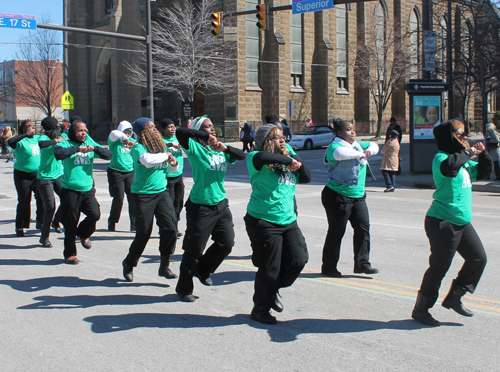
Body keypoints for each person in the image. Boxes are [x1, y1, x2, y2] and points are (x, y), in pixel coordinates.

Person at [411, 119, 491, 327]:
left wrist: (484, 154)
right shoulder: (442, 158)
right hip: (443, 222)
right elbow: (449, 167)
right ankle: (421, 309)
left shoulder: (463, 161)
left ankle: (455, 296)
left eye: (466, 133)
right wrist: (469, 152)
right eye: (460, 133)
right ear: (449, 136)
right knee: (439, 267)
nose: (465, 137)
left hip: (462, 223)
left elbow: (484, 172)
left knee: (478, 259)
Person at [244, 124, 311, 325]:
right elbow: (265, 157)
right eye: (276, 138)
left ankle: (271, 290)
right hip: (263, 220)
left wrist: (296, 161)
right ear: (265, 140)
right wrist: (290, 159)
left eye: (283, 137)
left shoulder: (287, 155)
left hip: (288, 219)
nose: (281, 140)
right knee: (269, 268)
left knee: (299, 260)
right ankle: (260, 309)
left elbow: (306, 177)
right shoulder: (255, 158)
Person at [175, 116, 245, 302]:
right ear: (199, 130)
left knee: (226, 242)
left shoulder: (220, 149)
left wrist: (225, 148)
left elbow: (242, 155)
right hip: (200, 206)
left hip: (221, 204)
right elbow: (180, 132)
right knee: (194, 250)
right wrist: (204, 137)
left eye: (213, 126)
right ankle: (183, 288)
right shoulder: (194, 147)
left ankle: (203, 269)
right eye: (208, 127)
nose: (213, 129)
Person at [122, 118, 179, 282]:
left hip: (161, 193)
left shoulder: (161, 147)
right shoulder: (139, 148)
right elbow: (147, 161)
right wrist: (166, 155)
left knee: (170, 229)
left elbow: (169, 168)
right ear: (142, 132)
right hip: (142, 195)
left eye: (155, 127)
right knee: (144, 233)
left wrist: (173, 163)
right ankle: (129, 263)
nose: (155, 130)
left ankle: (164, 265)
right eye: (150, 128)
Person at [321, 118, 379, 278]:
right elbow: (342, 155)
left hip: (358, 196)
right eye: (348, 130)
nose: (352, 132)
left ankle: (362, 263)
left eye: (353, 129)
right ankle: (329, 267)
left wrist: (367, 151)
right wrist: (362, 154)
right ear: (339, 133)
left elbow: (375, 146)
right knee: (337, 231)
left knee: (363, 228)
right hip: (337, 196)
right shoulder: (335, 147)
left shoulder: (357, 144)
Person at [54, 120, 112, 264]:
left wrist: (95, 149)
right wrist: (78, 150)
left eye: (85, 130)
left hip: (87, 189)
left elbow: (108, 155)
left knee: (95, 214)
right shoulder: (66, 143)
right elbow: (58, 154)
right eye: (80, 130)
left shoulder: (89, 143)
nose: (83, 133)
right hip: (70, 190)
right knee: (70, 223)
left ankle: (83, 234)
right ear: (73, 131)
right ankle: (70, 254)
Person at [8, 120, 44, 237]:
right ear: (23, 128)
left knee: (42, 199)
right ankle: (20, 225)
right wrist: (25, 135)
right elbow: (10, 142)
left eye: (33, 126)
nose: (32, 128)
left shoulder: (38, 138)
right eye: (29, 126)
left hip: (38, 174)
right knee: (24, 201)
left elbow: (48, 141)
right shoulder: (20, 141)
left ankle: (41, 222)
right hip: (22, 175)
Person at [37, 117, 66, 247]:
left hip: (58, 174)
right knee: (50, 206)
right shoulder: (43, 138)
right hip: (45, 177)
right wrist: (56, 141)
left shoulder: (62, 136)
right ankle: (44, 237)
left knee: (67, 199)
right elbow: (42, 145)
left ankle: (56, 221)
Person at [107, 121, 137, 232]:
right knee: (118, 198)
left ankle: (134, 224)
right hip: (116, 172)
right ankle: (112, 221)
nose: (128, 134)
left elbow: (141, 148)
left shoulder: (133, 142)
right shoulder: (115, 141)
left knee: (133, 198)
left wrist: (133, 143)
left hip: (130, 172)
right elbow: (113, 134)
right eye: (125, 132)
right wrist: (124, 138)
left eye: (129, 132)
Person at [161, 118, 185, 237]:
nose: (172, 129)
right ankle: (169, 228)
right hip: (168, 176)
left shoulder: (178, 138)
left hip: (178, 175)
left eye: (173, 126)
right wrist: (171, 144)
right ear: (164, 129)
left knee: (179, 203)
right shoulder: (161, 140)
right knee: (169, 203)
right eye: (169, 127)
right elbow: (159, 145)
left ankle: (174, 225)